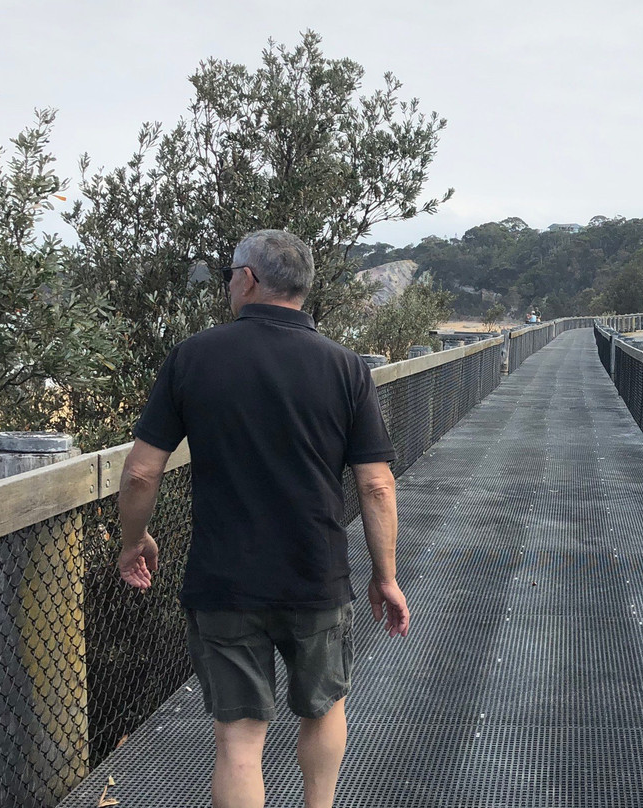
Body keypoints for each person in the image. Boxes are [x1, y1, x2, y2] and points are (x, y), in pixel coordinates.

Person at [116, 229, 410, 808]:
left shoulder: (193, 357)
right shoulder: (346, 368)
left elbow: (141, 474)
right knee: (323, 711)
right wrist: (386, 576)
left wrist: (134, 541)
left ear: (248, 279)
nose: (228, 283)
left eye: (229, 273)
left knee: (239, 740)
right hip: (315, 575)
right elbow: (375, 484)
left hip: (224, 581)